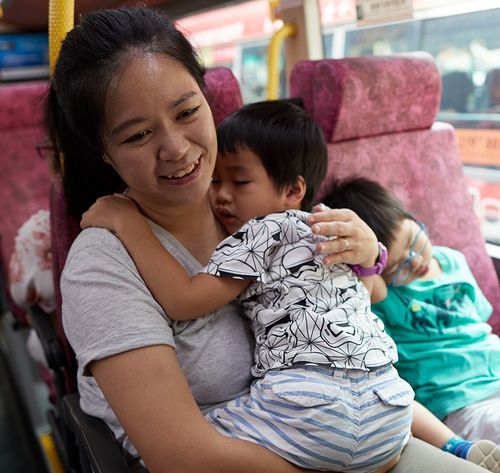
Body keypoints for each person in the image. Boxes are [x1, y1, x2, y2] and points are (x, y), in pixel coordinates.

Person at [48, 6, 489, 473]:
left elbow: (341, 324)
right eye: (138, 134)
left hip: (352, 426)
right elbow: (182, 457)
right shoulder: (104, 262)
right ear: (104, 151)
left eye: (187, 112)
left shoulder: (259, 212)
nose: (176, 148)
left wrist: (366, 259)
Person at [81, 100, 414, 472]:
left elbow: (184, 299)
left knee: (194, 443)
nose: (222, 195)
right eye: (216, 181)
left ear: (292, 190)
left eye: (239, 182)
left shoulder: (259, 232)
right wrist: (371, 255)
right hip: (390, 410)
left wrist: (129, 225)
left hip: (308, 405)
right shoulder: (327, 227)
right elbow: (374, 295)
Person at [323, 177, 500, 470]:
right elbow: (368, 279)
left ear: (412, 219)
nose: (416, 260)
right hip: (460, 398)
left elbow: (481, 320)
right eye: (399, 266)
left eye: (414, 241)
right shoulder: (386, 297)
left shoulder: (453, 260)